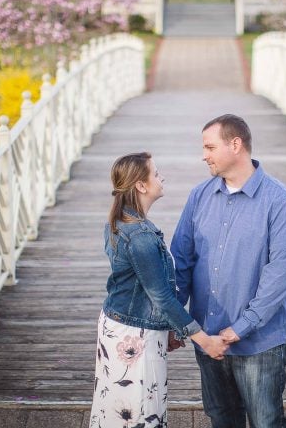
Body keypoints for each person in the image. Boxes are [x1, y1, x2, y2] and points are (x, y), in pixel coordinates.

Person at [170, 114, 286, 428]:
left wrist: (242, 326)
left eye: (209, 147)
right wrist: (177, 322)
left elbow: (281, 273)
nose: (204, 155)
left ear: (235, 144)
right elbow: (181, 261)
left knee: (266, 422)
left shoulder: (279, 201)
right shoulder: (199, 196)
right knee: (221, 420)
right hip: (208, 337)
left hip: (258, 343)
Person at [89, 152, 230, 428]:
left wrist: (168, 330)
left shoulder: (120, 222)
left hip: (121, 325)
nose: (161, 177)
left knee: (118, 412)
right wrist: (206, 341)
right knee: (137, 413)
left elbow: (141, 287)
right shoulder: (140, 235)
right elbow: (162, 298)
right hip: (133, 336)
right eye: (155, 173)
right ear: (141, 185)